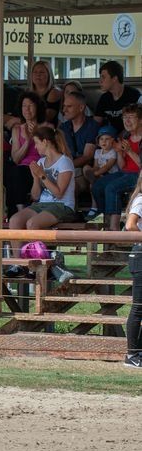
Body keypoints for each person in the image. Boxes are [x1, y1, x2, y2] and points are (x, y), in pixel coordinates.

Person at [7, 126, 76, 275]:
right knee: (14, 220)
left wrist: (43, 176)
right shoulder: (41, 161)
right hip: (42, 204)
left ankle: (37, 263)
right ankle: (18, 263)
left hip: (62, 205)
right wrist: (35, 178)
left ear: (45, 142)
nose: (35, 147)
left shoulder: (65, 162)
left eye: (37, 143)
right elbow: (35, 195)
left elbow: (59, 193)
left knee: (33, 223)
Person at [91, 104, 142, 231]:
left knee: (111, 188)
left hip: (139, 175)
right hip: (125, 173)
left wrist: (129, 151)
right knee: (98, 185)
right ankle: (106, 219)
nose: (127, 121)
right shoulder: (125, 137)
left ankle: (113, 228)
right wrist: (119, 152)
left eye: (131, 117)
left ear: (141, 120)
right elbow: (122, 166)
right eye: (125, 118)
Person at [7, 91, 51, 215]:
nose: (27, 109)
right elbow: (16, 159)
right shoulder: (17, 129)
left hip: (41, 166)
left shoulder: (47, 127)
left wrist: (37, 134)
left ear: (38, 107)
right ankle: (20, 211)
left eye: (30, 105)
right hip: (23, 168)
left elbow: (49, 155)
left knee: (19, 173)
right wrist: (27, 140)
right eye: (24, 106)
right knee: (14, 171)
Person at [122, 176, 142, 369]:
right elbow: (130, 225)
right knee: (138, 307)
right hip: (140, 255)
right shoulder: (141, 199)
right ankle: (132, 354)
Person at [82, 125, 119, 220]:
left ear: (113, 141)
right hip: (99, 174)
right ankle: (94, 206)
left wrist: (95, 174)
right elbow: (96, 166)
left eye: (107, 139)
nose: (104, 141)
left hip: (111, 175)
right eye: (101, 139)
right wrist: (93, 172)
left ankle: (95, 207)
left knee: (93, 184)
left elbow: (107, 167)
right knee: (86, 167)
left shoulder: (113, 152)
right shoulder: (98, 152)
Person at [95, 61, 142, 133]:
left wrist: (123, 136)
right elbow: (95, 123)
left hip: (132, 136)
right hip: (112, 138)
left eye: (103, 77)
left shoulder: (134, 95)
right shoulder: (104, 98)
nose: (100, 81)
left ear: (114, 78)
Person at [58, 91, 98, 173]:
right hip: (67, 167)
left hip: (84, 168)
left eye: (69, 106)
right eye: (64, 106)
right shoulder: (63, 127)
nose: (64, 110)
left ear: (81, 108)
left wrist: (65, 167)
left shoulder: (92, 126)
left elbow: (87, 156)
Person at [28, 60, 62, 125]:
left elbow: (47, 117)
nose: (38, 75)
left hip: (46, 128)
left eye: (42, 72)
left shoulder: (54, 92)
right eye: (35, 72)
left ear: (49, 75)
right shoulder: (28, 91)